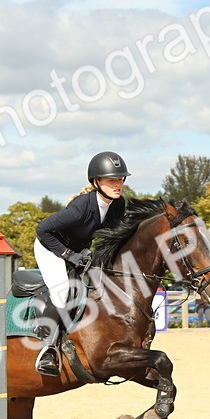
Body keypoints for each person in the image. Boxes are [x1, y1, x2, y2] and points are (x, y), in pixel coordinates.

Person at [32, 151, 130, 376]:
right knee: (63, 290)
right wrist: (68, 255)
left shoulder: (118, 204)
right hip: (51, 247)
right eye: (112, 180)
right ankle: (48, 349)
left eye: (120, 179)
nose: (118, 185)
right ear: (97, 182)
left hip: (78, 249)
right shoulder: (81, 206)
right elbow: (42, 230)